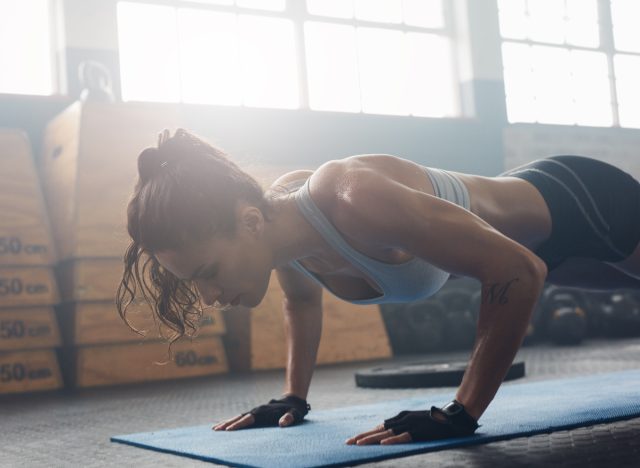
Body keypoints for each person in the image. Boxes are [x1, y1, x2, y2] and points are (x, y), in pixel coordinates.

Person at [117, 129, 640, 445]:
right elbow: (300, 302)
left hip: (583, 204)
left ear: (249, 221)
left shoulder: (349, 198)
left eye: (207, 273)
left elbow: (518, 272)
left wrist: (461, 412)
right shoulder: (280, 236)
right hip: (546, 244)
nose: (209, 299)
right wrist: (293, 398)